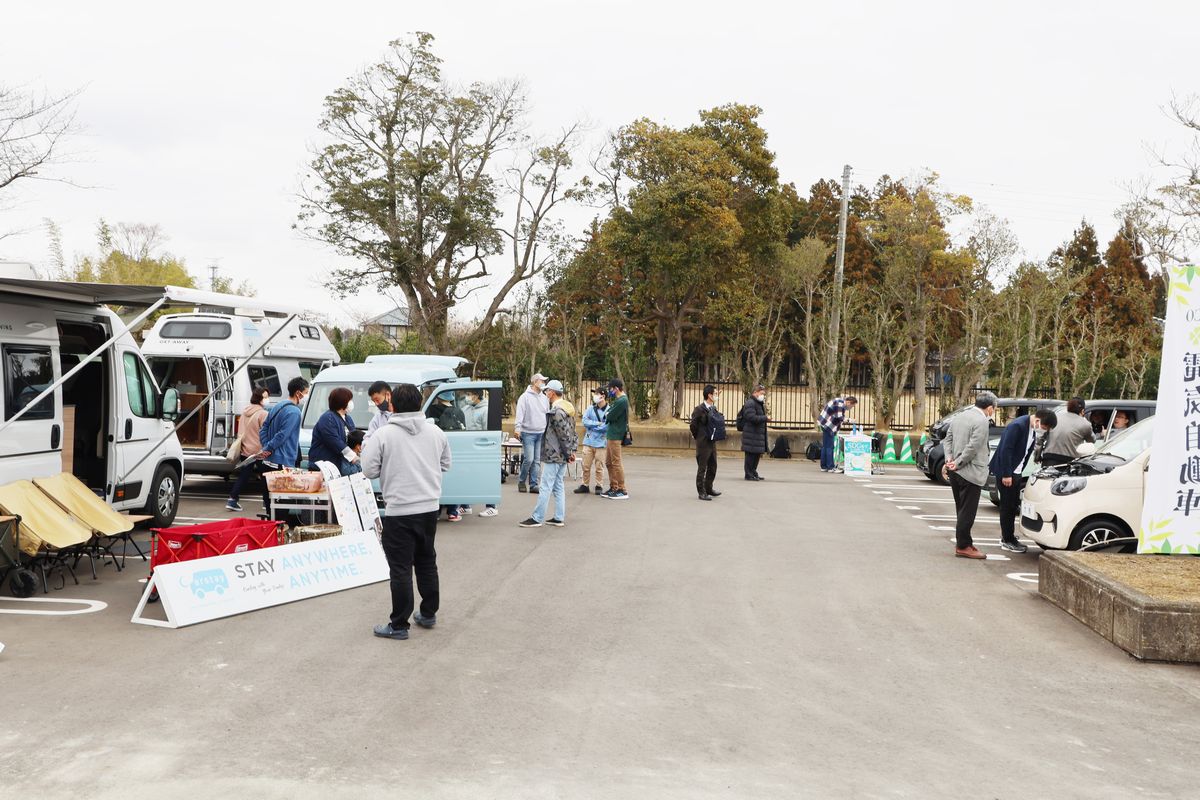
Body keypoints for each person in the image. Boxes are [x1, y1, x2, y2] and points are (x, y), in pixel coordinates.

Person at [362, 383, 451, 641]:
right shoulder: (436, 432)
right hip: (429, 508)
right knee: (426, 561)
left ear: (394, 405)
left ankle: (399, 624)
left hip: (399, 510)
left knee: (400, 568)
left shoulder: (384, 435)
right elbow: (446, 463)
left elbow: (368, 470)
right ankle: (428, 612)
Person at [989, 409, 1058, 554]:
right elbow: (1006, 450)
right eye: (1044, 428)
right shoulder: (1018, 426)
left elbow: (1025, 452)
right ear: (1038, 420)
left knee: (1013, 506)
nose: (1043, 431)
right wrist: (1007, 474)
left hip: (1016, 472)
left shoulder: (1030, 428)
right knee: (1007, 507)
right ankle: (1007, 539)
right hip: (1007, 473)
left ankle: (1009, 536)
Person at [943, 392, 997, 560]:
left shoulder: (960, 416)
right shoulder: (982, 421)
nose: (993, 412)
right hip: (970, 471)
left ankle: (965, 541)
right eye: (994, 409)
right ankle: (963, 546)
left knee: (961, 509)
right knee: (968, 511)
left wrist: (949, 459)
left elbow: (948, 439)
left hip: (955, 471)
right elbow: (973, 447)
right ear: (989, 408)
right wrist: (958, 462)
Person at [520, 380, 578, 527]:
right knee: (558, 485)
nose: (545, 393)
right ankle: (559, 517)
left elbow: (563, 435)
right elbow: (572, 433)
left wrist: (568, 452)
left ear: (551, 392)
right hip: (562, 455)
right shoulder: (568, 409)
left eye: (547, 391)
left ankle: (537, 518)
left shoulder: (556, 412)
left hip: (554, 454)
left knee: (546, 486)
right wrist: (571, 451)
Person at [253, 376, 309, 517]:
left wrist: (266, 446)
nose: (306, 396)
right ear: (298, 393)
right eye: (306, 392)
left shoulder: (278, 405)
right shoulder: (294, 412)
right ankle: (277, 533)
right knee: (282, 505)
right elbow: (282, 436)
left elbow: (263, 428)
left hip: (268, 462)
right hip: (282, 463)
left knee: (270, 502)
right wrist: (269, 448)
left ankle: (271, 532)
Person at [225, 386, 270, 511]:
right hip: (260, 451)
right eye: (265, 397)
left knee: (244, 476)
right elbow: (265, 433)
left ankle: (232, 499)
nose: (267, 399)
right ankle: (267, 503)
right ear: (259, 398)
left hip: (245, 449)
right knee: (265, 476)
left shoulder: (245, 412)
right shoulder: (263, 413)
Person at [307, 387, 360, 476]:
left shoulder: (347, 418)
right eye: (349, 400)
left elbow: (353, 437)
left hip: (338, 467)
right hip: (324, 467)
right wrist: (352, 456)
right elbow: (334, 441)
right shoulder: (328, 418)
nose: (351, 403)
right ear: (342, 401)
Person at [515, 373, 550, 494]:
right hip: (528, 433)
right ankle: (521, 480)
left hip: (540, 432)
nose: (543, 383)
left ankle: (534, 484)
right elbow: (520, 413)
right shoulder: (524, 397)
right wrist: (517, 428)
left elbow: (547, 413)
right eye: (542, 381)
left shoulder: (544, 398)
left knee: (536, 460)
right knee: (529, 459)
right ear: (535, 382)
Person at [690, 384, 726, 500]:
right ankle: (701, 491)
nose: (717, 395)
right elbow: (693, 426)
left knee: (713, 466)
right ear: (709, 395)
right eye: (715, 394)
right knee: (702, 468)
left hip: (712, 442)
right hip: (703, 442)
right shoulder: (699, 409)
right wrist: (699, 437)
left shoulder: (713, 408)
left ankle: (708, 487)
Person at [1042, 397, 1096, 467]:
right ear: (1082, 411)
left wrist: (1038, 454)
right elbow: (1092, 440)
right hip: (1068, 461)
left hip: (1048, 457)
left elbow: (1041, 435)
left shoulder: (1055, 416)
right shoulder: (1085, 424)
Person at [576, 388, 608, 495]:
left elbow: (606, 426)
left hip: (601, 443)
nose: (594, 396)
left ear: (603, 396)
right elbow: (585, 421)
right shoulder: (590, 408)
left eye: (597, 394)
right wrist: (598, 424)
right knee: (586, 465)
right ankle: (585, 485)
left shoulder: (609, 410)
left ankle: (599, 485)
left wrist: (593, 426)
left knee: (599, 466)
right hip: (588, 442)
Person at [602, 379, 630, 500]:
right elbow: (608, 413)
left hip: (615, 435)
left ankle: (622, 489)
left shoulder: (622, 401)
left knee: (616, 462)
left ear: (616, 388)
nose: (610, 391)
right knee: (609, 462)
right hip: (611, 434)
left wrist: (608, 414)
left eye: (611, 389)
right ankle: (614, 486)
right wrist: (608, 414)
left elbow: (610, 415)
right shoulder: (619, 400)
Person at [817, 395, 859, 473]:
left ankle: (824, 466)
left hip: (824, 423)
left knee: (826, 446)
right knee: (829, 447)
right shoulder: (840, 404)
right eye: (852, 406)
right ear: (848, 402)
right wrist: (850, 420)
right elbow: (839, 417)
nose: (851, 408)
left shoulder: (840, 402)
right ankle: (830, 467)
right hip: (828, 425)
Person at [739, 385, 769, 481]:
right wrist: (765, 418)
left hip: (756, 434)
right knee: (751, 455)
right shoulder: (750, 403)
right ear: (755, 392)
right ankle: (748, 474)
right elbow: (751, 417)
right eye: (762, 393)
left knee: (756, 454)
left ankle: (753, 472)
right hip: (751, 434)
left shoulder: (758, 403)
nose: (763, 396)